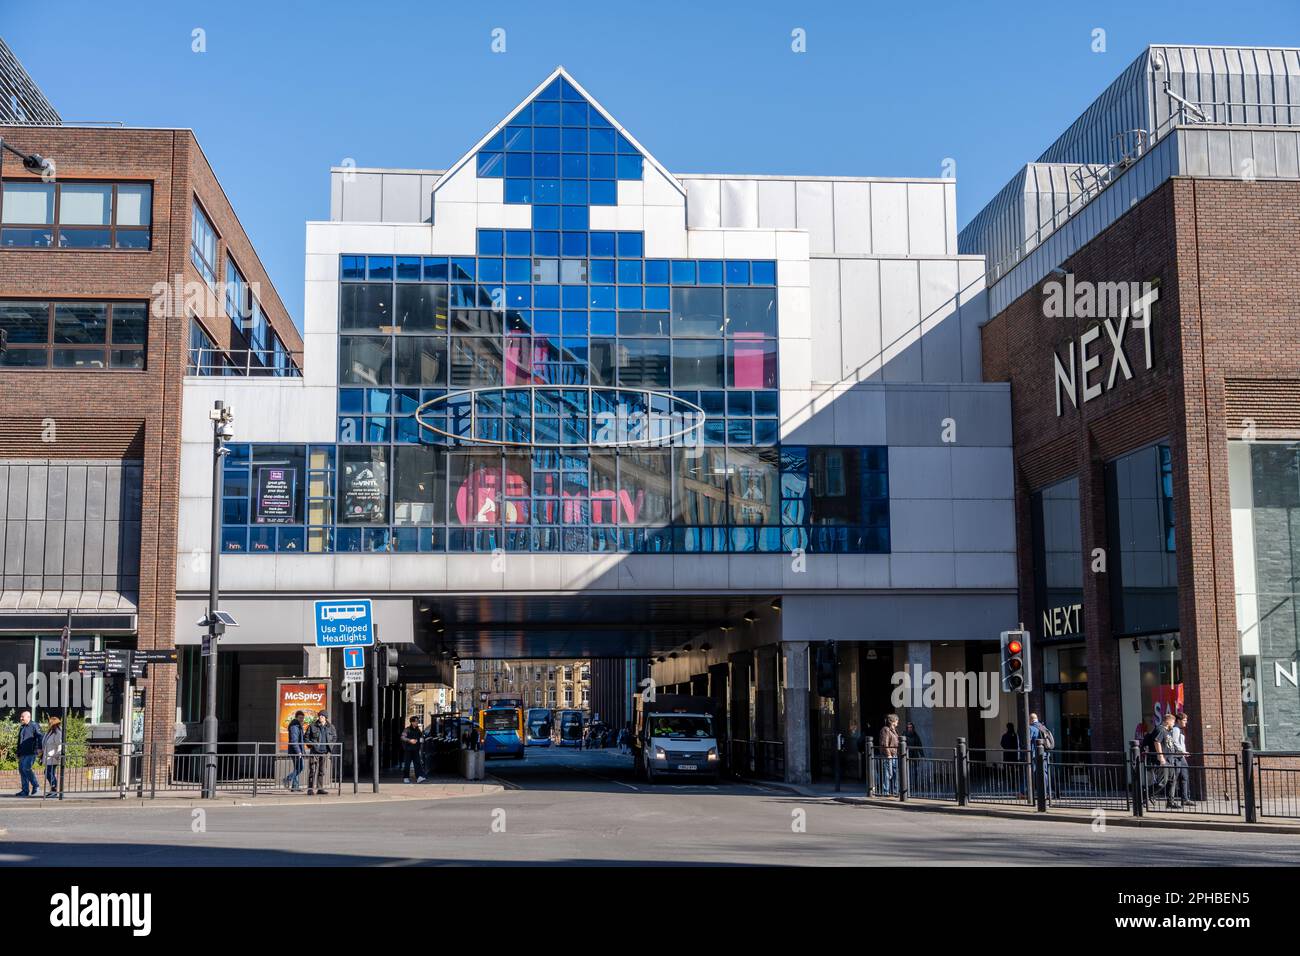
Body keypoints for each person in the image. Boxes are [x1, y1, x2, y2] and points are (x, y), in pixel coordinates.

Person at [305, 711, 337, 795]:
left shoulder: (331, 727)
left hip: (324, 752)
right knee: (312, 770)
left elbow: (334, 737)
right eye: (319, 716)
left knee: (321, 771)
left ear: (326, 717)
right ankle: (310, 789)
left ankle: (320, 789)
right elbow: (306, 737)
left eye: (322, 716)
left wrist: (330, 746)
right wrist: (313, 745)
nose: (320, 717)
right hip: (315, 752)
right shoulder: (312, 726)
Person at [14, 708, 42, 798]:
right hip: (22, 753)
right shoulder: (22, 727)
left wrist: (39, 748)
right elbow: (20, 741)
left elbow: (39, 737)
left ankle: (36, 785)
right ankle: (25, 790)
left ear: (28, 717)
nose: (21, 718)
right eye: (21, 717)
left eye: (22, 717)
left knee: (26, 768)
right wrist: (18, 752)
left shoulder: (34, 725)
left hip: (31, 752)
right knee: (22, 771)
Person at [1028, 712, 1054, 800]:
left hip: (1036, 755)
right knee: (1045, 773)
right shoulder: (1043, 727)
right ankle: (1047, 792)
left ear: (1031, 719)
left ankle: (1035, 793)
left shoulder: (1031, 728)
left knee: (1032, 773)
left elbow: (1028, 741)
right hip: (1045, 754)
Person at [1168, 712, 1192, 807]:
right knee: (1175, 778)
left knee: (1184, 777)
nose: (1186, 722)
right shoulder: (1176, 730)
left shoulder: (1180, 729)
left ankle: (1185, 799)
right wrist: (1182, 751)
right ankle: (1171, 801)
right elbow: (1174, 742)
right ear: (1178, 721)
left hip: (1181, 756)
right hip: (1176, 756)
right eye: (1184, 720)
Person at [878, 714, 900, 795]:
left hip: (894, 754)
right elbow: (885, 743)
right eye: (897, 720)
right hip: (889, 755)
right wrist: (888, 754)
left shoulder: (894, 730)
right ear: (893, 721)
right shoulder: (885, 729)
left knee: (895, 773)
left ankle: (895, 791)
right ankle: (885, 791)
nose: (898, 722)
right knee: (887, 773)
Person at [40, 716, 63, 797]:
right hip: (48, 756)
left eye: (50, 722)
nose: (48, 724)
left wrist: (58, 755)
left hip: (53, 756)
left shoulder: (57, 733)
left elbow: (59, 744)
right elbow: (45, 742)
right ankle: (53, 789)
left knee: (49, 773)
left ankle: (54, 790)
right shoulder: (50, 732)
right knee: (48, 772)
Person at [284, 710, 306, 792]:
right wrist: (299, 752)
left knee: (297, 767)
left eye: (303, 718)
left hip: (296, 751)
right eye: (300, 718)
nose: (301, 720)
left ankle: (295, 786)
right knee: (300, 767)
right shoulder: (294, 726)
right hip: (295, 751)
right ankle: (287, 779)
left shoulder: (298, 726)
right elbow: (294, 741)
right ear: (296, 717)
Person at [401, 716, 426, 783]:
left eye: (417, 721)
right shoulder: (407, 729)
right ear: (412, 722)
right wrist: (410, 740)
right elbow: (402, 737)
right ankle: (406, 777)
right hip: (408, 750)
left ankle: (419, 777)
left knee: (417, 763)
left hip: (416, 750)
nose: (417, 722)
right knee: (407, 764)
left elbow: (421, 737)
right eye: (416, 721)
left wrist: (422, 740)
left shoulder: (418, 730)